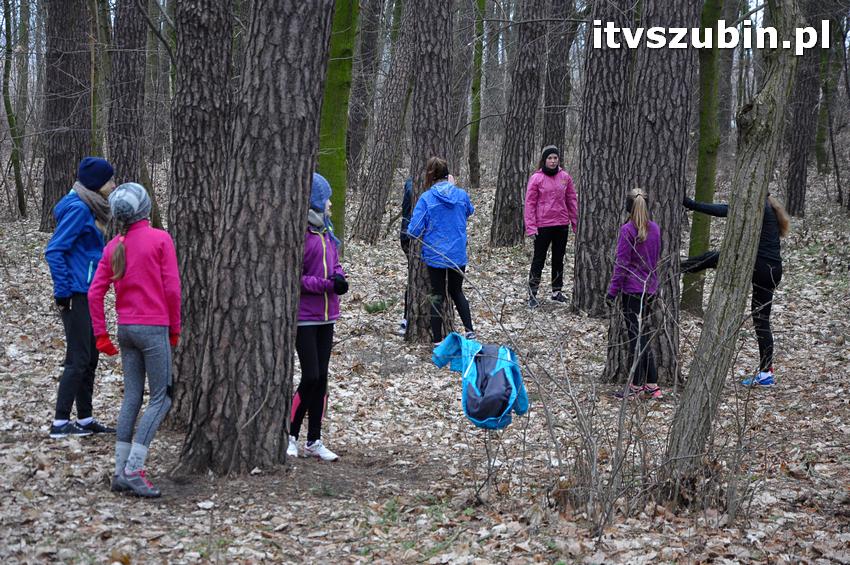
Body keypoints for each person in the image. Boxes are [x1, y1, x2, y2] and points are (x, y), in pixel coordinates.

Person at [88, 183, 181, 498]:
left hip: (126, 330)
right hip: (153, 329)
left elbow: (94, 292)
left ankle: (120, 470)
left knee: (132, 398)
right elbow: (172, 290)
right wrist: (175, 328)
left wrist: (101, 333)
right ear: (144, 208)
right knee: (161, 398)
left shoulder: (113, 245)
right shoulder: (160, 239)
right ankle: (134, 469)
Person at [682, 193, 789, 387]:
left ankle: (678, 268)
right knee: (762, 322)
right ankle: (766, 373)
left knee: (713, 257)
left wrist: (691, 204)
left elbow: (725, 210)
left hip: (760, 266)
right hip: (773, 269)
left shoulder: (758, 208)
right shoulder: (769, 208)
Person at [44, 157, 117, 438]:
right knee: (78, 357)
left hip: (87, 290)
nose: (113, 184)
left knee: (90, 356)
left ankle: (85, 420)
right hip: (75, 293)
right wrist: (63, 293)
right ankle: (60, 423)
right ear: (97, 184)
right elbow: (54, 250)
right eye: (109, 180)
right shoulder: (78, 209)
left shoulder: (91, 207)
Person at [287, 173, 348, 462]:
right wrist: (326, 285)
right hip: (305, 317)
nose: (331, 203)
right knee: (310, 375)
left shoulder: (328, 233)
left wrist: (340, 278)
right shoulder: (302, 235)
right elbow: (296, 279)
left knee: (322, 379)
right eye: (326, 198)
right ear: (314, 201)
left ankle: (314, 439)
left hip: (327, 316)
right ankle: (290, 435)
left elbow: (335, 265)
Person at [407, 157, 475, 344]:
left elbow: (413, 231)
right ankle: (470, 331)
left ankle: (437, 340)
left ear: (430, 176)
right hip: (457, 254)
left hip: (435, 255)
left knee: (437, 294)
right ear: (447, 174)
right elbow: (470, 211)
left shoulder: (427, 199)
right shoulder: (461, 195)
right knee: (456, 291)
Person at [607, 188, 662, 399]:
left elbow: (621, 265)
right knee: (645, 336)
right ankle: (652, 384)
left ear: (628, 207)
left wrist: (612, 292)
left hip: (632, 291)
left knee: (635, 338)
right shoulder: (655, 229)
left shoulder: (627, 230)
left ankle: (637, 386)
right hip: (650, 289)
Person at [524, 145, 578, 308]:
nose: (553, 161)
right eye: (550, 158)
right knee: (538, 260)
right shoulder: (536, 178)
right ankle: (532, 293)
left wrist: (576, 224)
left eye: (555, 158)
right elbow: (530, 203)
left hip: (561, 224)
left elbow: (571, 201)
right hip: (543, 225)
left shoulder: (565, 177)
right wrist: (531, 227)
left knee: (558, 259)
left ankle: (557, 291)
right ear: (544, 160)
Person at [398, 178, 413, 334]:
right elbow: (411, 190)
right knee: (414, 277)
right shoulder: (411, 183)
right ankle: (407, 318)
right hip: (408, 237)